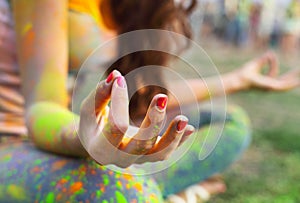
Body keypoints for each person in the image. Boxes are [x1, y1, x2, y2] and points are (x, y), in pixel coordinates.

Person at [0, 0, 299, 202]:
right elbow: (42, 108)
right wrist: (84, 136)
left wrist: (237, 81)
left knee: (230, 121)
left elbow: (142, 97)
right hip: (13, 144)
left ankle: (147, 185)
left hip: (64, 143)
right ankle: (164, 191)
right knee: (118, 188)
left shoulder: (134, 6)